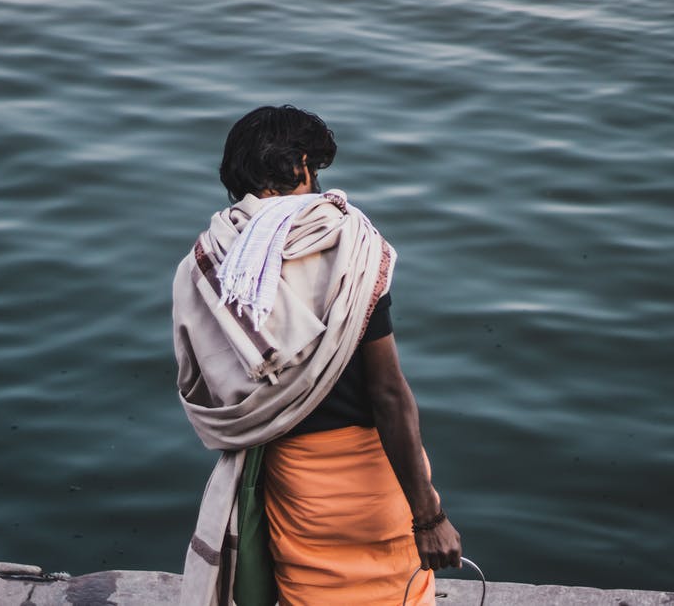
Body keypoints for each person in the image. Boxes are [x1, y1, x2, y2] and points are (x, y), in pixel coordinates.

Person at [172, 105, 461, 605]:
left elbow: (206, 384)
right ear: (300, 165)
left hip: (293, 482)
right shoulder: (346, 245)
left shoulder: (211, 261)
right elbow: (389, 394)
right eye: (316, 170)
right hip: (373, 482)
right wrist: (429, 516)